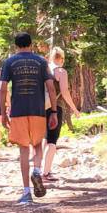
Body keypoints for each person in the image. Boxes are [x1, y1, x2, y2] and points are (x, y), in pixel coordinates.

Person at [0, 32, 59, 204]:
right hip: (38, 110)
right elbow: (51, 87)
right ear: (31, 44)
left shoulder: (9, 62)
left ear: (16, 45)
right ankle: (38, 171)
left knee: (23, 149)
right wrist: (53, 111)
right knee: (37, 145)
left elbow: (3, 89)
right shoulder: (41, 61)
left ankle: (26, 193)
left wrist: (3, 114)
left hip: (18, 111)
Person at [42, 46, 81, 180]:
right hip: (55, 107)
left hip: (40, 107)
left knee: (44, 138)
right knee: (52, 140)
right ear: (62, 59)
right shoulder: (60, 71)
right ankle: (46, 172)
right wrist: (74, 109)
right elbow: (64, 92)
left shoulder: (44, 68)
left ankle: (38, 169)